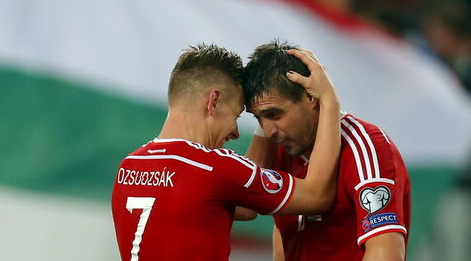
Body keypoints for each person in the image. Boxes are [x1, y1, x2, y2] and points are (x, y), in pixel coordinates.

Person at [111, 43, 341, 260]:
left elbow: (245, 206)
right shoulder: (213, 167)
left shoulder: (128, 166)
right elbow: (316, 195)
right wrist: (329, 100)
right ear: (214, 101)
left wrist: (264, 123)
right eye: (236, 115)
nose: (235, 132)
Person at [241, 40, 410, 261]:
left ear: (311, 96)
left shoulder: (366, 147)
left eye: (274, 115)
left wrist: (329, 98)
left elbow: (385, 253)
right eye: (258, 118)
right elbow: (281, 228)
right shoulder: (280, 152)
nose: (268, 131)